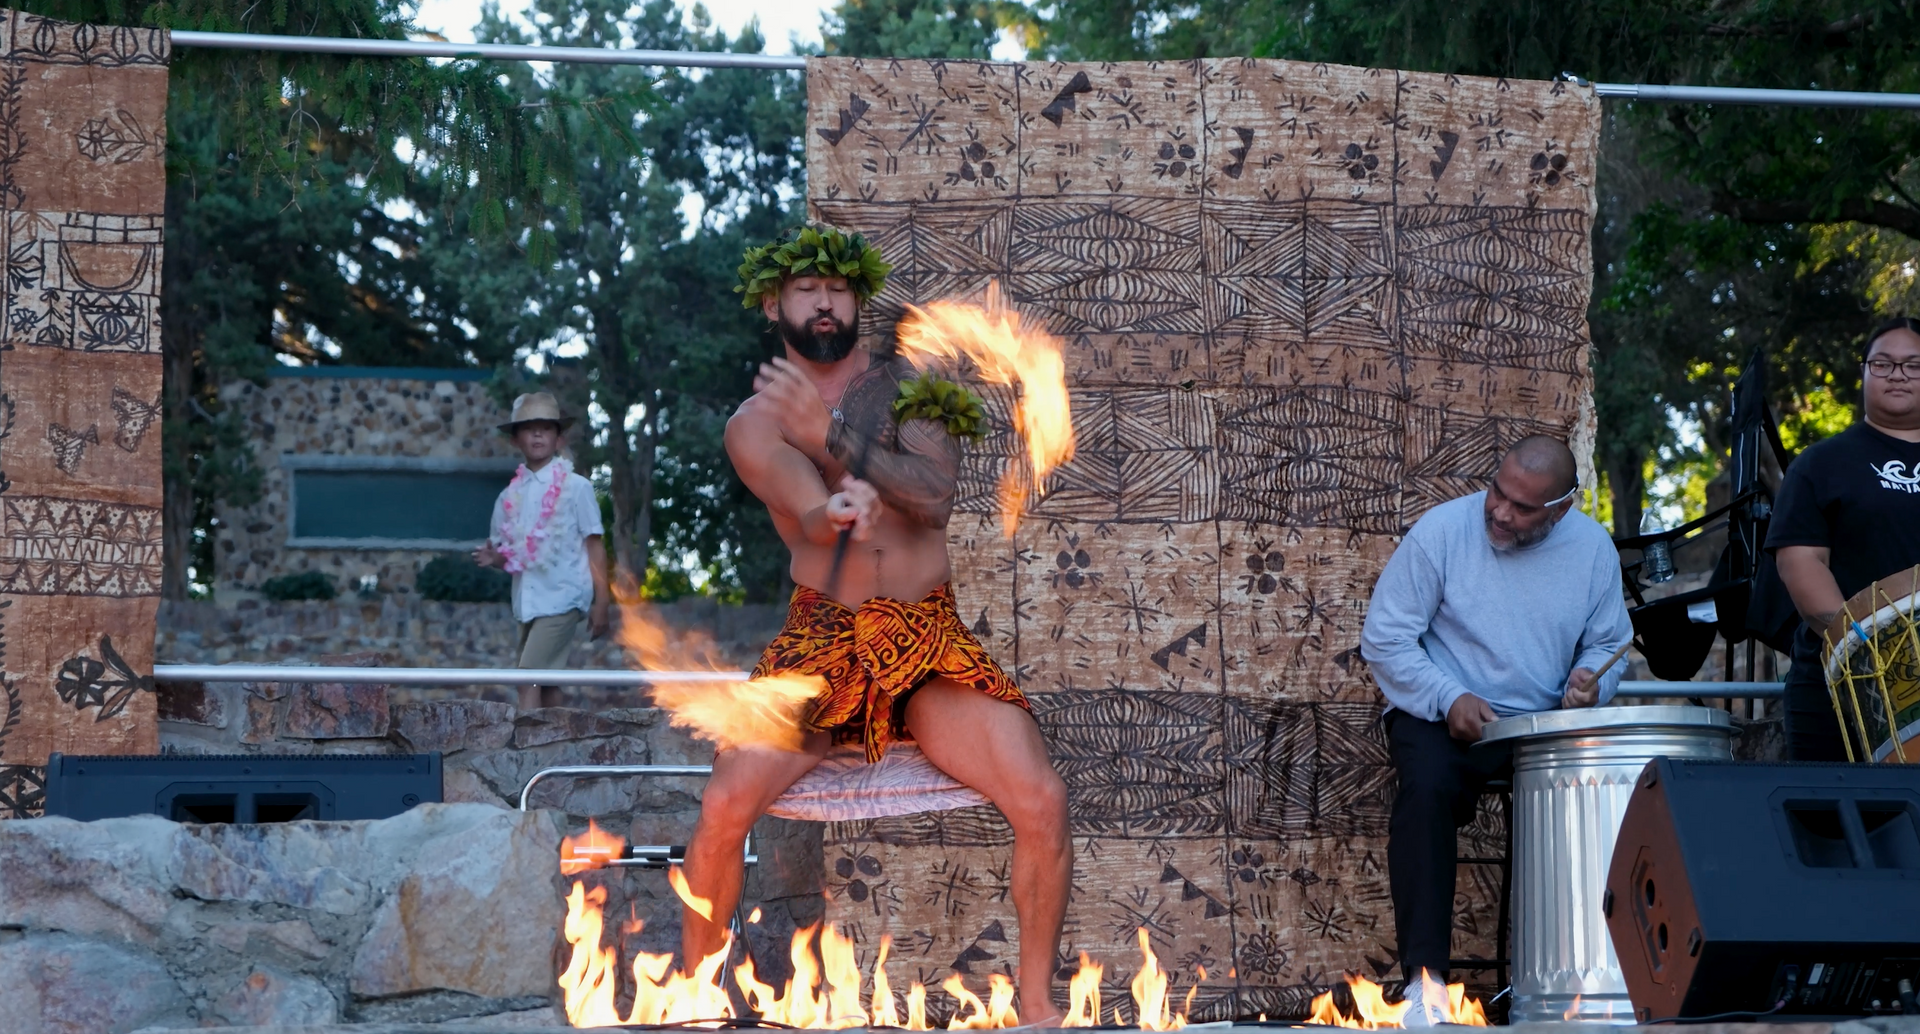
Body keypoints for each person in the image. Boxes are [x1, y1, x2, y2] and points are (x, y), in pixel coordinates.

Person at [680, 225, 1071, 1024]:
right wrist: (838, 505)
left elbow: (931, 497)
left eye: (838, 290)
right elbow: (813, 520)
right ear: (773, 304)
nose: (824, 303)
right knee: (722, 808)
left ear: (857, 300)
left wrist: (836, 440)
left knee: (1043, 799)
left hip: (928, 639)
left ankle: (1037, 1013)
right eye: (804, 290)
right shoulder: (754, 423)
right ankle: (689, 1007)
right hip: (821, 641)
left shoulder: (911, 389)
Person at [1359, 435, 1632, 1025]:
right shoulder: (1441, 532)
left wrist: (1592, 679)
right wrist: (1446, 695)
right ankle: (1424, 986)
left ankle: (1574, 985)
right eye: (1497, 493)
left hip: (1539, 724)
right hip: (1443, 712)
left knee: (1594, 799)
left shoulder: (1591, 549)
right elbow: (1383, 637)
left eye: (1524, 507)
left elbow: (1611, 643)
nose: (1502, 512)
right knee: (1427, 789)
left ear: (1563, 508)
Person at [1768, 317, 1920, 761]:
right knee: (1837, 827)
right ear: (1864, 372)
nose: (1897, 374)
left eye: (1913, 365)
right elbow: (1800, 562)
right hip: (1841, 685)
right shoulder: (1820, 464)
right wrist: (1862, 646)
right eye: (1884, 364)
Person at [473, 392, 610, 711]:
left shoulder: (578, 487)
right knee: (547, 682)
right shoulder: (508, 497)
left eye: (546, 428)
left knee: (527, 677)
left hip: (564, 596)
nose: (537, 434)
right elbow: (509, 555)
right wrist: (495, 559)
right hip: (527, 600)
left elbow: (595, 544)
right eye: (528, 428)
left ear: (558, 438)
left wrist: (602, 602)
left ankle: (526, 755)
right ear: (515, 440)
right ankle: (556, 749)